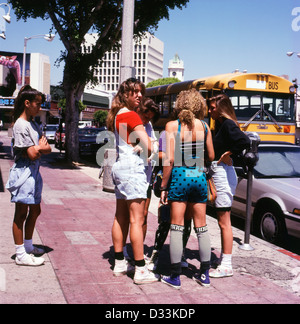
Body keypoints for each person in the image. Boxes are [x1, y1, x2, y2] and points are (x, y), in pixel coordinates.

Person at [160, 88, 215, 289]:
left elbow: (170, 159)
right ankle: (205, 275)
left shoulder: (172, 126)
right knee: (201, 226)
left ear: (180, 103)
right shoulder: (205, 127)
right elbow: (211, 155)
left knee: (177, 226)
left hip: (180, 177)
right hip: (199, 177)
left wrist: (164, 186)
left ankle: (175, 276)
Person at [106, 78, 159, 285]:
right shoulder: (130, 115)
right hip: (133, 168)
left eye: (140, 92)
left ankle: (120, 262)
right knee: (137, 219)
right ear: (125, 94)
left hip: (120, 166)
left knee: (121, 217)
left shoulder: (118, 115)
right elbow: (147, 146)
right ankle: (140, 268)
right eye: (134, 92)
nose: (139, 95)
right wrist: (152, 145)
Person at [6, 85, 51, 266]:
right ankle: (20, 254)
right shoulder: (20, 125)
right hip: (24, 172)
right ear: (27, 103)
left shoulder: (33, 124)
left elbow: (47, 148)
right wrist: (39, 147)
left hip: (34, 172)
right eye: (37, 104)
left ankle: (28, 246)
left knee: (35, 210)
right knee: (21, 213)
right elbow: (32, 153)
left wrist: (39, 148)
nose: (40, 107)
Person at [207, 94, 250, 278]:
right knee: (222, 220)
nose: (210, 111)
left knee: (224, 221)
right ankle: (224, 258)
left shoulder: (227, 124)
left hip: (223, 175)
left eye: (212, 108)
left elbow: (245, 141)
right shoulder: (221, 125)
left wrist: (228, 154)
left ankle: (226, 265)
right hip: (222, 173)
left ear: (222, 108)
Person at [147, 130, 192, 272]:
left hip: (189, 177)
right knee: (165, 219)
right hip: (171, 177)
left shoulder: (196, 131)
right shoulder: (168, 131)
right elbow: (161, 156)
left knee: (186, 220)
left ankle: (181, 253)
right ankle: (156, 253)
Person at [135, 98, 160, 241]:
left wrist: (151, 146)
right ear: (139, 111)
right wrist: (150, 146)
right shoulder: (132, 124)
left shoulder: (148, 125)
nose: (146, 120)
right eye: (145, 116)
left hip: (147, 175)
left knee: (144, 214)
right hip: (134, 175)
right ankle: (127, 250)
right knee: (133, 216)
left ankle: (140, 249)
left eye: (150, 118)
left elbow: (154, 144)